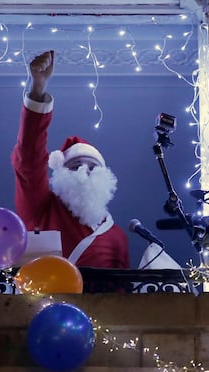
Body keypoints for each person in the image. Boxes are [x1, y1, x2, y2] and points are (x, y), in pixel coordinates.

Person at [11, 50, 130, 269]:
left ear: (105, 178)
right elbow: (29, 157)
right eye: (75, 166)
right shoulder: (41, 208)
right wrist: (38, 90)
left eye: (92, 167)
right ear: (61, 173)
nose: (84, 172)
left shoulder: (117, 236)